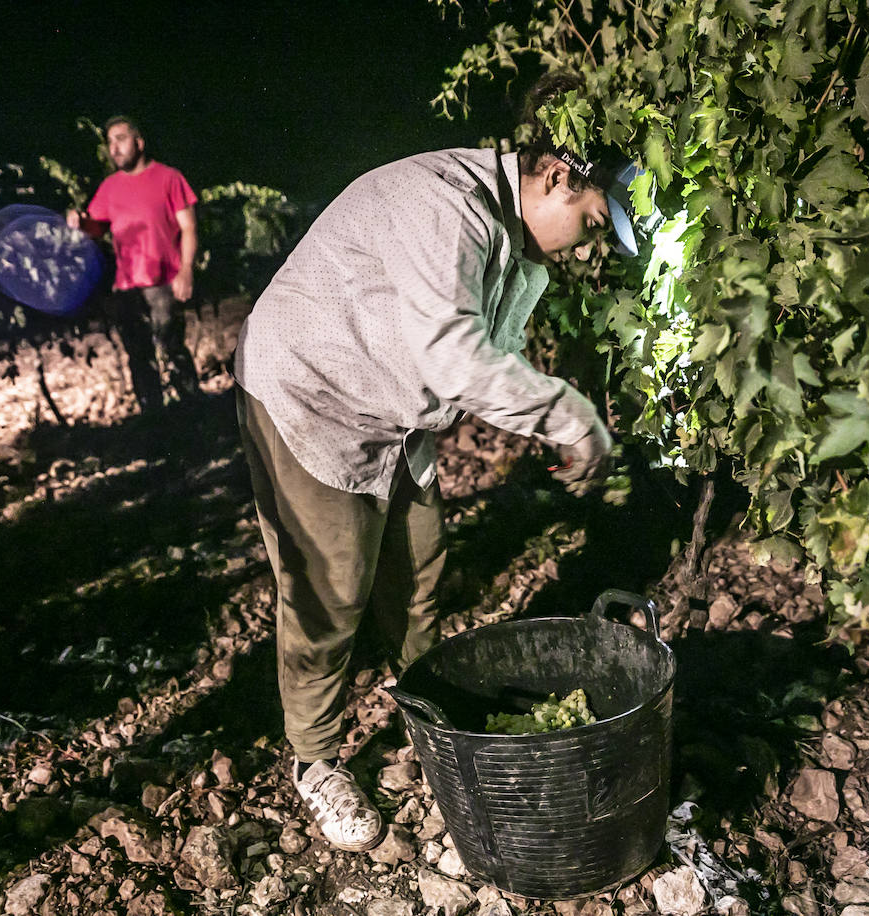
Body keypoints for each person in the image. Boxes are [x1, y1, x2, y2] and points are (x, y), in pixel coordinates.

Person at [232, 79, 644, 853]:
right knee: (332, 592)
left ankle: (434, 722)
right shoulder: (446, 207)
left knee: (420, 572)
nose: (588, 246)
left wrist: (539, 412)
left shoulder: (520, 253)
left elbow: (492, 355)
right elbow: (454, 355)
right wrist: (569, 416)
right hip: (308, 393)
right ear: (556, 173)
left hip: (389, 409)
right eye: (591, 224)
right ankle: (315, 760)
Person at [69, 116, 202, 412]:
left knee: (171, 347)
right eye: (110, 142)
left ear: (139, 142)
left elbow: (189, 228)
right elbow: (96, 229)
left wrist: (186, 270)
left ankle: (193, 412)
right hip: (127, 288)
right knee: (138, 356)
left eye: (120, 139)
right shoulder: (109, 188)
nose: (114, 148)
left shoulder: (169, 178)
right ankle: (154, 418)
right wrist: (80, 223)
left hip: (163, 283)